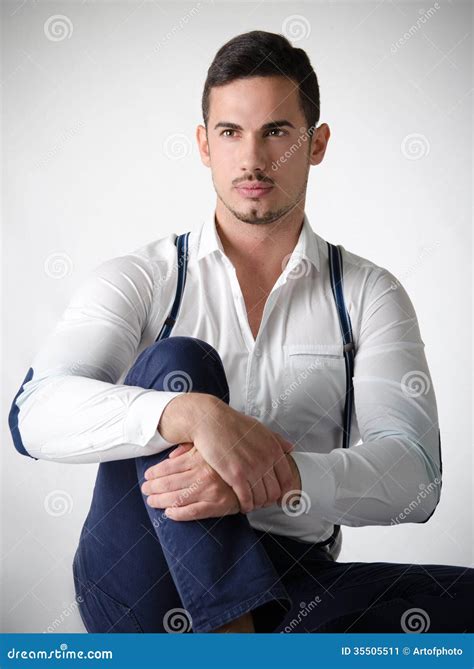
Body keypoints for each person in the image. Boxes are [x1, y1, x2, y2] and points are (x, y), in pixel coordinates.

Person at [9, 30, 473, 634]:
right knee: (179, 362)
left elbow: (415, 474)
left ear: (317, 144)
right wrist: (193, 415)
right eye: (230, 133)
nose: (253, 160)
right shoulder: (144, 277)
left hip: (291, 578)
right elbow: (32, 414)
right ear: (205, 144)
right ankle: (234, 642)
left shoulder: (369, 293)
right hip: (145, 575)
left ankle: (246, 636)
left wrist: (265, 481)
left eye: (276, 132)